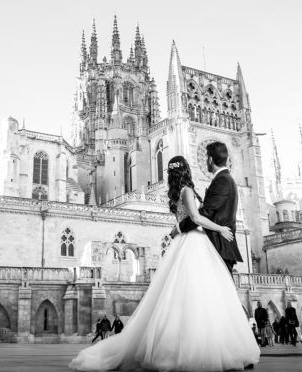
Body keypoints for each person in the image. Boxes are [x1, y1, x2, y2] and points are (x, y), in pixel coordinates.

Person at [69, 154, 260, 371]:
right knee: (204, 294)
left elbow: (188, 218)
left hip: (184, 243)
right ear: (186, 170)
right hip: (194, 242)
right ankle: (205, 347)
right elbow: (196, 219)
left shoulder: (178, 193)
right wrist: (220, 228)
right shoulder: (187, 191)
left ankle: (188, 346)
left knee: (183, 297)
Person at [175, 143, 244, 274]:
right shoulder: (225, 179)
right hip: (219, 244)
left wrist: (179, 228)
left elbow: (204, 214)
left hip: (219, 245)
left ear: (210, 159)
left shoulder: (222, 180)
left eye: (206, 157)